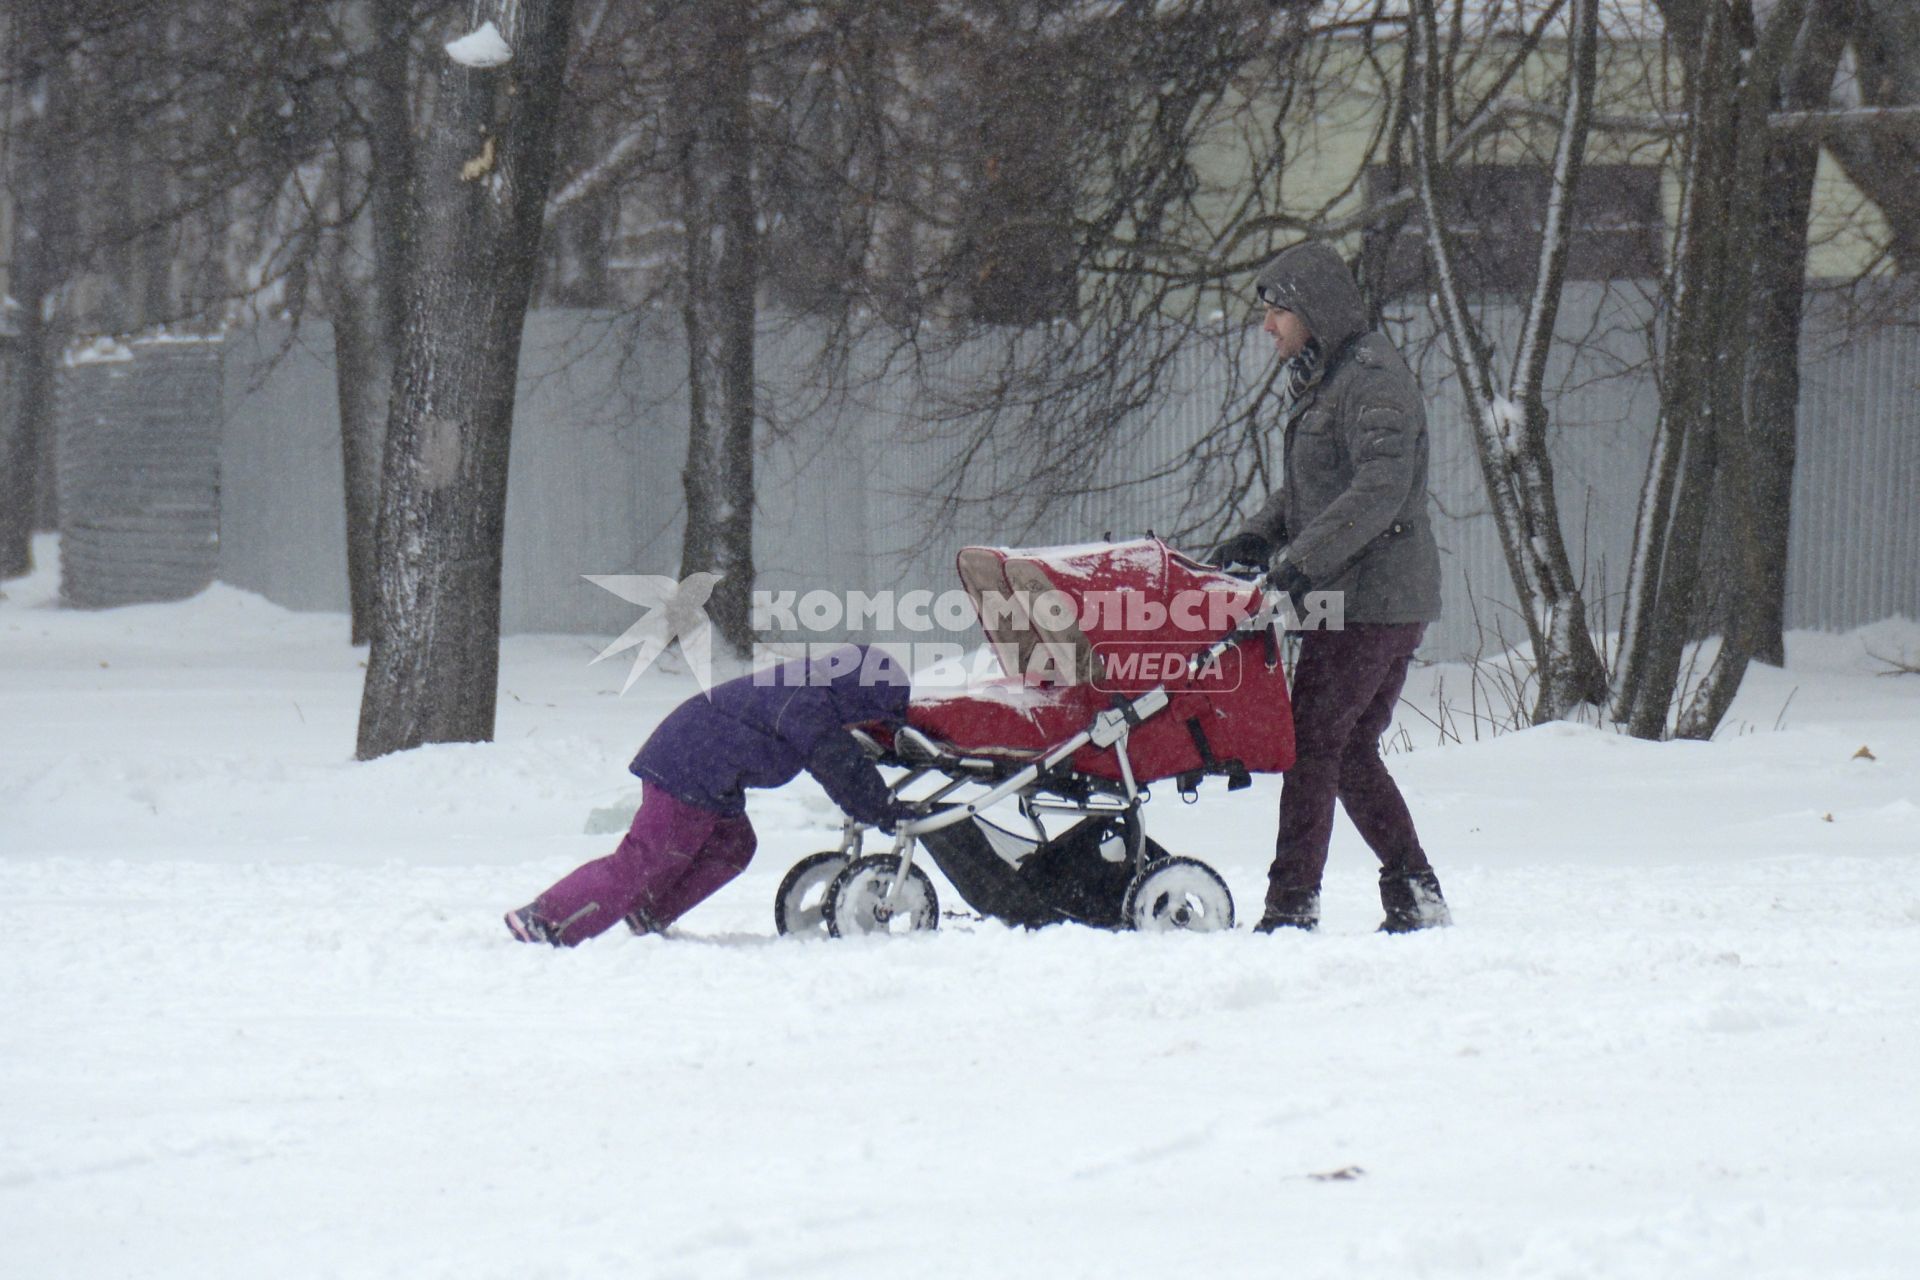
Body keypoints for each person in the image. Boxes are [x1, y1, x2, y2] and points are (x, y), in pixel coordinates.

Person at [1213, 241, 1451, 935]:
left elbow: (1379, 490)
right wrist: (1257, 537)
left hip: (1374, 597)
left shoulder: (1374, 381)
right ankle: (1414, 893)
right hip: (1355, 594)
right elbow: (1313, 488)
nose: (1267, 327)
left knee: (1313, 743)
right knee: (1345, 749)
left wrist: (1300, 566)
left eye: (1276, 312)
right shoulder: (1334, 377)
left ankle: (1291, 908)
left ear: (1313, 310)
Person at [505, 645, 914, 946]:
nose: (870, 724)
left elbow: (847, 750)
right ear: (860, 695)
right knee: (646, 858)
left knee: (734, 844)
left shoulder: (810, 690)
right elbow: (838, 764)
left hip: (704, 767)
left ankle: (648, 911)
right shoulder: (807, 703)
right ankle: (544, 918)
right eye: (874, 714)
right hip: (689, 766)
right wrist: (883, 810)